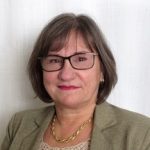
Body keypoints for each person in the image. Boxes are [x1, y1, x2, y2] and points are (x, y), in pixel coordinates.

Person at [1, 13, 150, 150]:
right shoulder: (19, 124)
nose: (66, 74)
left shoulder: (140, 132)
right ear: (41, 71)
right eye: (54, 60)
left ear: (102, 70)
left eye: (81, 59)